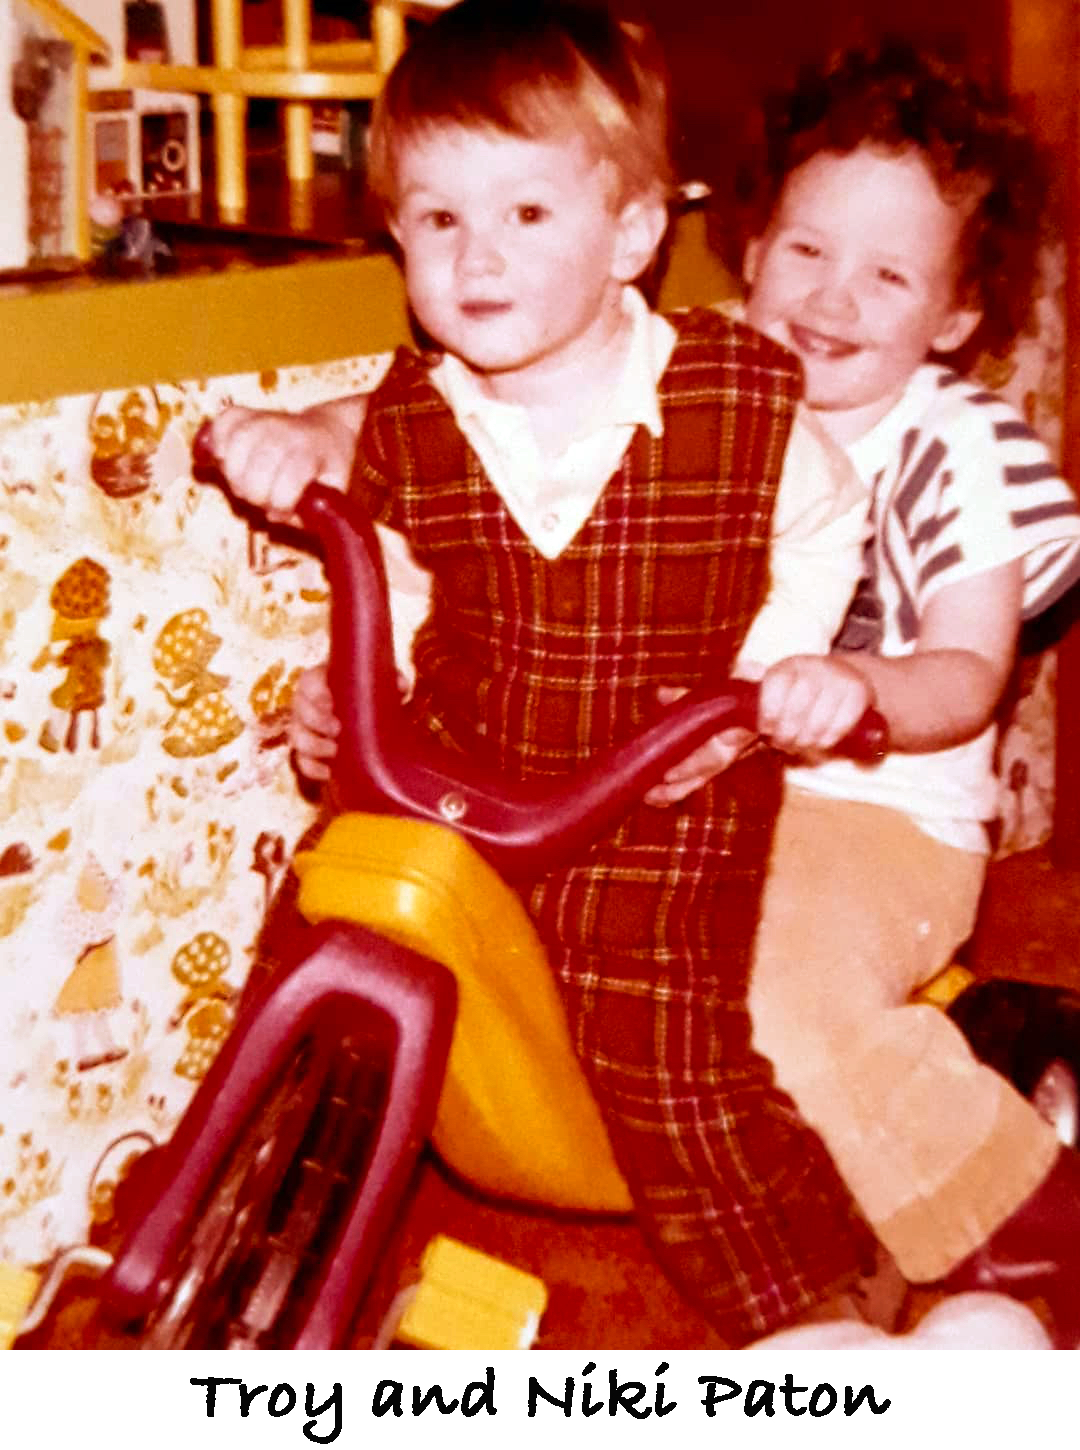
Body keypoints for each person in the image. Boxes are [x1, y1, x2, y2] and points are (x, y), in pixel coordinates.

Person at [205, 0, 880, 1344]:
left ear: (634, 233)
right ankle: (229, 1262)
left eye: (524, 215)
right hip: (461, 767)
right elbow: (389, 573)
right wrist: (354, 691)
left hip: (660, 800)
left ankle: (816, 1303)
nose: (475, 258)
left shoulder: (739, 397)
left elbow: (825, 521)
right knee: (314, 954)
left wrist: (773, 675)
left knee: (662, 1056)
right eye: (439, 219)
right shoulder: (409, 415)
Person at [653, 42, 1080, 1346]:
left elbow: (968, 668)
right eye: (806, 251)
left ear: (952, 316)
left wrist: (859, 686)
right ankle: (821, 1231)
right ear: (754, 242)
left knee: (774, 993)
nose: (831, 299)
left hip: (876, 810)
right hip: (706, 783)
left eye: (887, 275)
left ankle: (1022, 1208)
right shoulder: (690, 387)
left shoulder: (960, 448)